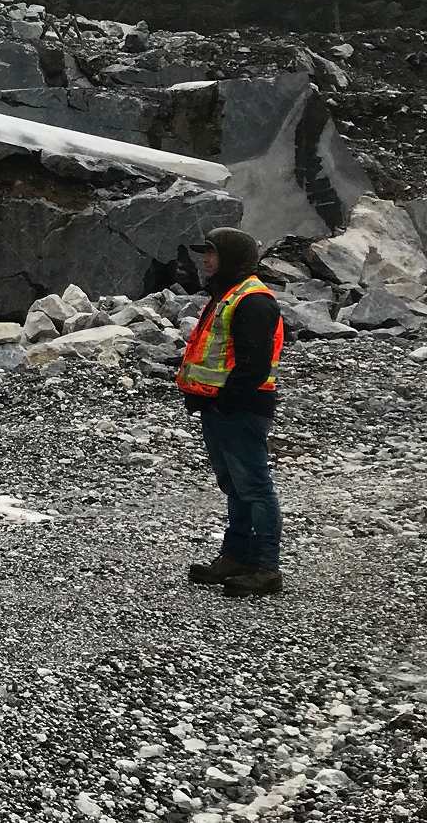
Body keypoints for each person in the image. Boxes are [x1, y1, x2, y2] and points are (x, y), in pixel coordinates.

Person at [177, 226, 286, 597]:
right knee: (235, 486)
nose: (206, 260)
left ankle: (266, 567)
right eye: (205, 253)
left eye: (212, 253)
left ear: (232, 258)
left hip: (240, 410)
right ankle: (236, 557)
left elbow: (253, 366)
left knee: (253, 487)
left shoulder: (253, 300)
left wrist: (224, 401)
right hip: (222, 409)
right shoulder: (228, 295)